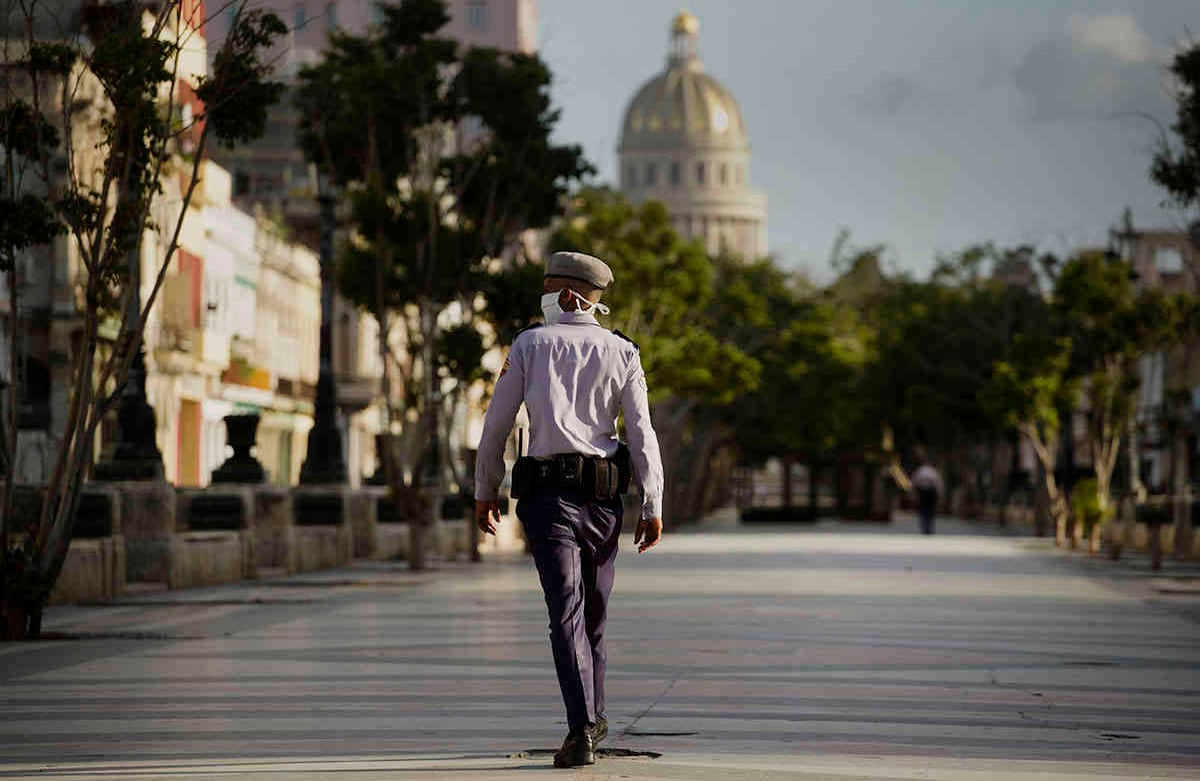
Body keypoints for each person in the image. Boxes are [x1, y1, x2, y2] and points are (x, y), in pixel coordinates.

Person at [474, 251, 665, 769]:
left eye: (547, 287)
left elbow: (496, 424)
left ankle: (588, 722)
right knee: (588, 616)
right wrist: (652, 502)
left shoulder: (529, 345)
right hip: (604, 503)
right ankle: (584, 723)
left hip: (551, 502)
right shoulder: (624, 352)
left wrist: (483, 489)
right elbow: (642, 434)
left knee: (571, 614)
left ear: (565, 296)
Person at [910, 449, 943, 535]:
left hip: (927, 493)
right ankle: (927, 527)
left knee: (926, 511)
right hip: (927, 493)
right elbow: (938, 484)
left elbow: (914, 482)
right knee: (927, 511)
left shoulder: (923, 471)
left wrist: (913, 493)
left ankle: (926, 527)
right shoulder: (932, 471)